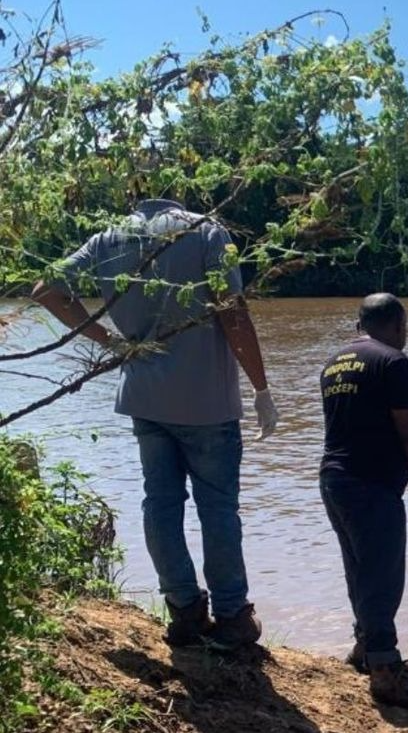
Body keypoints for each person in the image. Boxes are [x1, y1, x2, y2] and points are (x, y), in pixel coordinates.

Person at [32, 199, 276, 650]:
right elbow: (232, 310)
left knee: (160, 504)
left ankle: (184, 611)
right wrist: (261, 389)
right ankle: (232, 617)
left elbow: (45, 288)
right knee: (218, 509)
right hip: (208, 403)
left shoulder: (108, 237)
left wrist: (112, 342)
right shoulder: (204, 230)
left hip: (144, 396)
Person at [319, 294, 408, 708]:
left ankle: (364, 647)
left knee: (359, 570)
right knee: (382, 577)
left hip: (333, 479)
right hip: (371, 484)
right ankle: (384, 671)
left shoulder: (334, 362)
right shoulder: (394, 362)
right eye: (405, 326)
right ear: (397, 324)